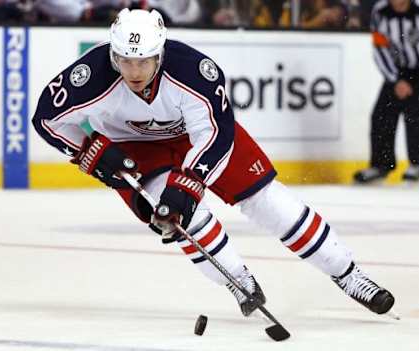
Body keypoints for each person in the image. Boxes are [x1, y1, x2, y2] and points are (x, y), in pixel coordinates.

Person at [32, 8, 396, 318]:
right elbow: (46, 119)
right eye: (125, 60)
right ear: (113, 54)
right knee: (179, 217)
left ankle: (347, 274)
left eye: (143, 60)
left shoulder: (193, 70)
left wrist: (189, 183)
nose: (134, 71)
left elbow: (214, 134)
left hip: (201, 138)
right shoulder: (91, 75)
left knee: (270, 203)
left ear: (160, 53)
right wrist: (92, 153)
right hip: (137, 148)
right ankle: (238, 279)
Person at [354, 0, 419, 184]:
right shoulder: (381, 11)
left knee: (415, 113)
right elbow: (380, 47)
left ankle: (416, 164)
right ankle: (381, 165)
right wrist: (395, 80)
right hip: (398, 72)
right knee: (381, 115)